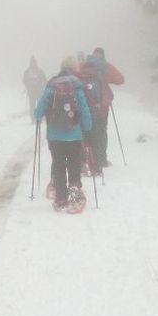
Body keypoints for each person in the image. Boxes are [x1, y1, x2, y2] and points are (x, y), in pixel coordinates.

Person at [33, 55, 93, 211]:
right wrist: (87, 126)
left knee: (58, 165)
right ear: (74, 68)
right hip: (74, 134)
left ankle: (60, 198)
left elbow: (39, 110)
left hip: (54, 135)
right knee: (74, 164)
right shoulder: (77, 86)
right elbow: (84, 108)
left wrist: (38, 115)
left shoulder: (52, 85)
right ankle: (75, 193)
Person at [82, 47, 125, 170]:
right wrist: (106, 80)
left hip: (86, 104)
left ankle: (87, 159)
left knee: (87, 132)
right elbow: (121, 79)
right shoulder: (105, 66)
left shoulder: (84, 65)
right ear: (103, 55)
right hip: (102, 106)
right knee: (101, 131)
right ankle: (101, 159)